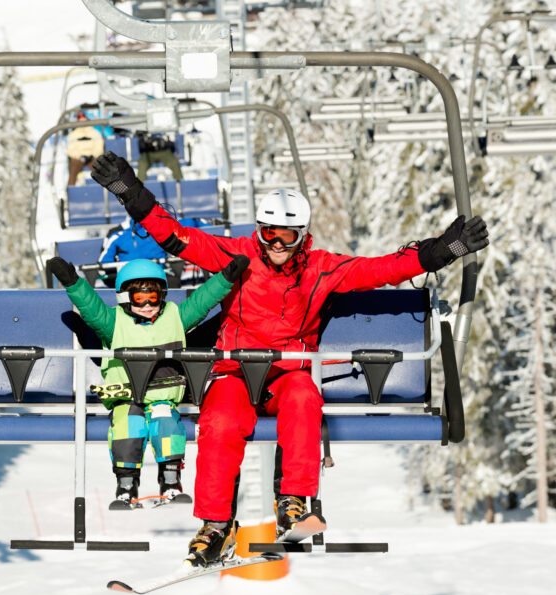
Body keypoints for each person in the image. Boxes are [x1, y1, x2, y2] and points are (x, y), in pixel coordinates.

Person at [90, 150, 489, 564]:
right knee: (220, 421)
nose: (276, 245)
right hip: (236, 370)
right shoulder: (237, 256)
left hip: (288, 372)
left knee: (303, 400)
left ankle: (293, 500)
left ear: (303, 236)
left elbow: (379, 269)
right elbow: (176, 237)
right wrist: (129, 192)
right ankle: (215, 525)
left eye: (287, 236)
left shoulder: (321, 269)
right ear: (259, 231)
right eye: (268, 234)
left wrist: (442, 251)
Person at [45, 255, 249, 508]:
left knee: (166, 422)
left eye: (154, 296)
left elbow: (201, 301)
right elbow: (91, 308)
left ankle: (171, 480)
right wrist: (72, 281)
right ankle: (127, 483)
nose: (148, 304)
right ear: (124, 298)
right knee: (128, 425)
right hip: (127, 396)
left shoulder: (175, 317)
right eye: (139, 298)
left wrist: (226, 277)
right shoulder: (113, 322)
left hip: (162, 395)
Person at [66, 112, 104, 186]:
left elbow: (99, 147)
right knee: (73, 169)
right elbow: (71, 150)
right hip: (78, 159)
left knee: (100, 169)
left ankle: (104, 190)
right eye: (80, 120)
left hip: (92, 158)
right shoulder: (73, 135)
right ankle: (70, 190)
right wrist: (80, 157)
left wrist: (92, 156)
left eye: (84, 120)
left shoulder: (94, 133)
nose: (82, 122)